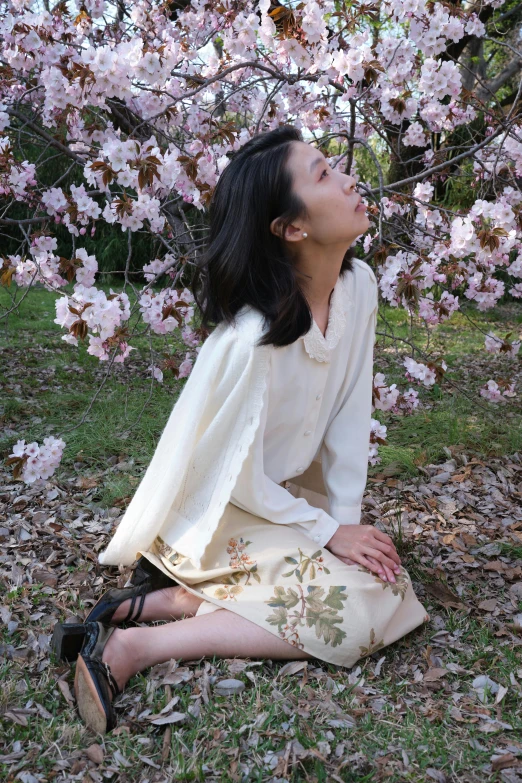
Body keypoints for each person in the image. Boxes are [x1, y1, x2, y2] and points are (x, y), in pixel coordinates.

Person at [67, 125, 429, 734]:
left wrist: (344, 525)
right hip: (218, 512)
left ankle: (151, 604)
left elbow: (349, 421)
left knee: (381, 579)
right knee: (369, 609)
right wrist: (324, 531)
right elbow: (229, 477)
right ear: (292, 228)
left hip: (277, 500)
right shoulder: (252, 339)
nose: (348, 178)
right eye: (322, 174)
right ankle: (135, 647)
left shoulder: (359, 287)